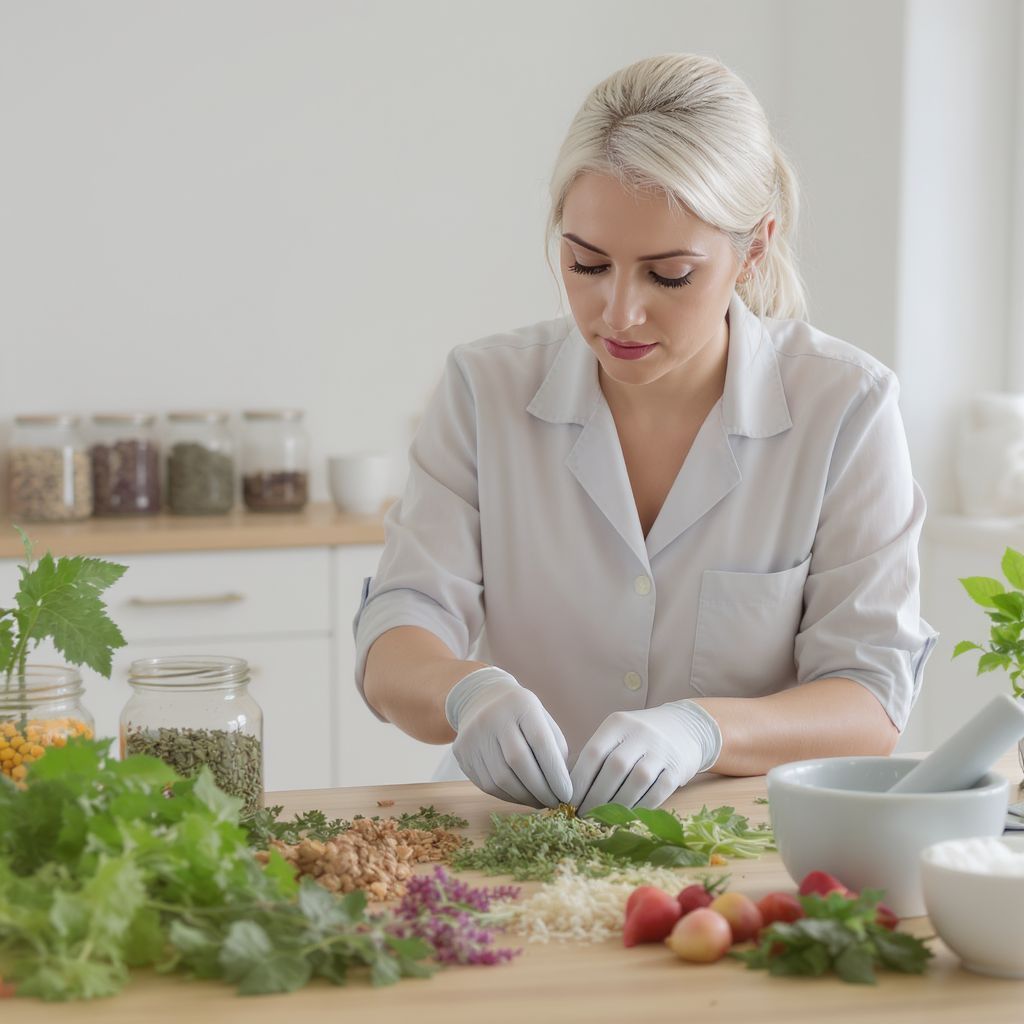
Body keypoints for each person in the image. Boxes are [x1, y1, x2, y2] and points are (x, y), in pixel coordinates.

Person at [352, 52, 937, 816]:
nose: (617, 313)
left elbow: (869, 699)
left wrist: (703, 730)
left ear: (753, 247)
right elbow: (398, 633)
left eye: (668, 276)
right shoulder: (483, 389)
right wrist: (468, 691)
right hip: (517, 832)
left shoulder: (846, 406)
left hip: (735, 845)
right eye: (586, 263)